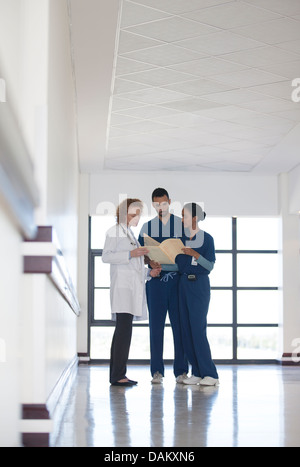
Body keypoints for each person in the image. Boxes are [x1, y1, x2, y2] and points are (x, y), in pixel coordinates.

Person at [102, 198, 161, 387]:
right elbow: (106, 256)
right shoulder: (115, 231)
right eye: (133, 212)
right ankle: (117, 375)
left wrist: (149, 273)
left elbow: (135, 268)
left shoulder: (129, 234)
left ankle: (119, 374)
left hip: (130, 287)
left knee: (124, 331)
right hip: (122, 288)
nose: (136, 216)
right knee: (123, 331)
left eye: (138, 213)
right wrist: (131, 254)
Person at [138, 188, 188, 384]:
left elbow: (189, 251)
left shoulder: (181, 225)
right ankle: (157, 371)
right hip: (156, 282)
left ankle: (181, 371)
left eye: (164, 203)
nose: (161, 207)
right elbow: (141, 254)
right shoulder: (146, 227)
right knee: (155, 327)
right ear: (153, 205)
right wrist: (150, 262)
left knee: (179, 327)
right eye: (157, 204)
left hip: (177, 282)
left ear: (169, 202)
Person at [175, 202, 219, 386]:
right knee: (186, 330)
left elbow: (209, 266)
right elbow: (177, 265)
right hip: (183, 284)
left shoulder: (207, 239)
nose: (182, 219)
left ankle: (211, 374)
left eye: (184, 216)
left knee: (198, 330)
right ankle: (198, 373)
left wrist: (194, 254)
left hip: (199, 285)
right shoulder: (180, 239)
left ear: (194, 218)